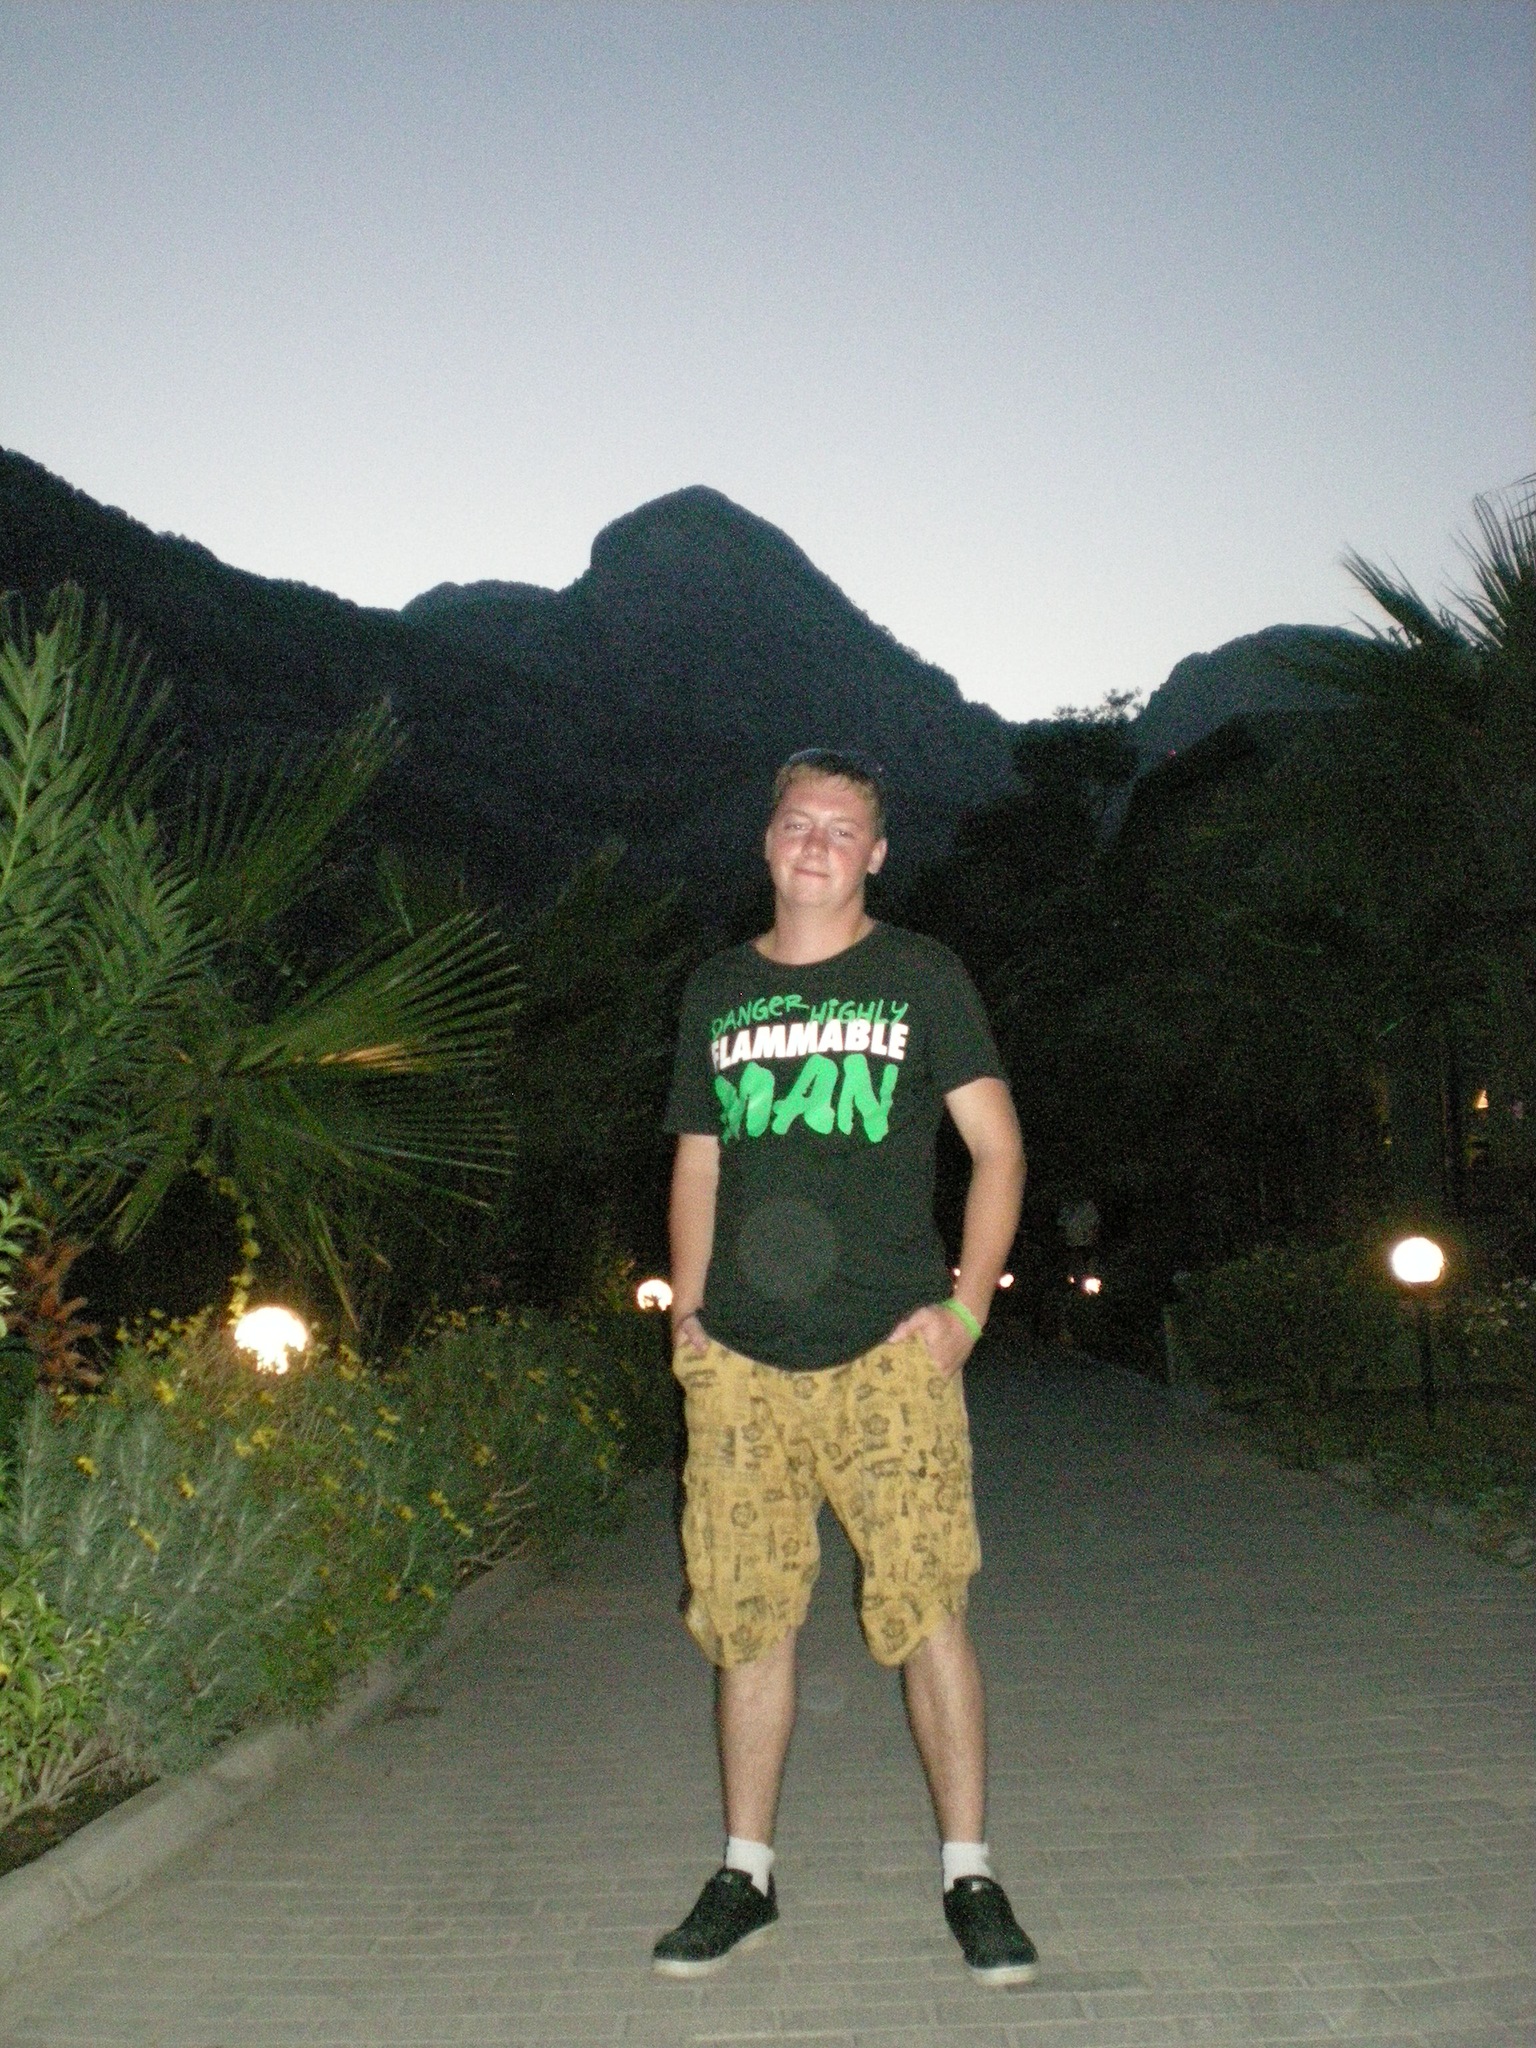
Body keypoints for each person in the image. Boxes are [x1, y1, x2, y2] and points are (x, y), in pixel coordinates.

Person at [652, 748, 1036, 1986]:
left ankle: (970, 1871)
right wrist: (689, 1314)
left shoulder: (920, 974)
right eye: (797, 821)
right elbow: (700, 1159)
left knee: (928, 1606)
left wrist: (967, 1312)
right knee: (747, 1614)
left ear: (875, 853)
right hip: (743, 1362)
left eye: (842, 827)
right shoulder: (718, 987)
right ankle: (745, 1873)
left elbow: (998, 1149)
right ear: (767, 839)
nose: (815, 842)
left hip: (888, 1351)